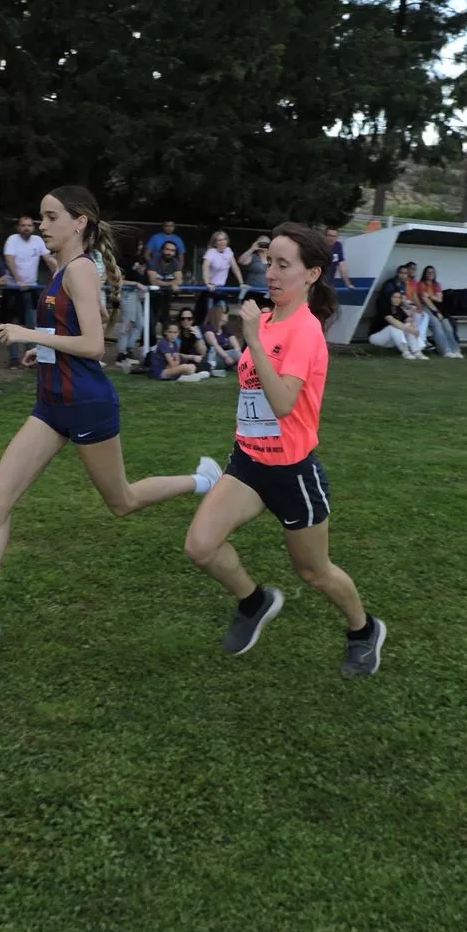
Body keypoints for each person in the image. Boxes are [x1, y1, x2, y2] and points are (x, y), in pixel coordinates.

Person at [0, 186, 221, 644]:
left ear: (78, 221)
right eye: (41, 217)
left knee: (121, 502)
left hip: (85, 402)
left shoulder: (80, 271)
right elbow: (67, 333)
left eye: (50, 216)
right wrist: (38, 352)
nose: (41, 224)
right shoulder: (63, 269)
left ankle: (203, 481)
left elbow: (93, 346)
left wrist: (30, 335)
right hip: (50, 404)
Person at [183, 223, 385, 676]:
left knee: (314, 572)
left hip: (292, 472)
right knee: (200, 546)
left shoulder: (305, 331)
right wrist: (256, 335)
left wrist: (252, 337)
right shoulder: (269, 319)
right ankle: (254, 602)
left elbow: (283, 402)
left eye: (282, 265)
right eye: (268, 261)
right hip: (248, 462)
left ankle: (363, 629)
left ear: (311, 274)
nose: (270, 272)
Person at [0, 214, 54, 368]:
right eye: (23, 225)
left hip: (31, 288)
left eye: (29, 225)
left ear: (33, 227)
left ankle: (31, 356)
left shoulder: (37, 241)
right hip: (13, 288)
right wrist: (18, 279)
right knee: (12, 323)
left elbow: (48, 259)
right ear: (18, 227)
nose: (26, 228)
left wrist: (58, 274)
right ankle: (14, 358)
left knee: (33, 323)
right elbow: (9, 260)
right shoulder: (12, 240)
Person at [412, 265, 463, 357]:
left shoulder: (437, 285)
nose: (430, 274)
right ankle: (445, 351)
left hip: (438, 307)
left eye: (432, 272)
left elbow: (440, 299)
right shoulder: (421, 284)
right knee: (437, 325)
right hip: (426, 307)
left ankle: (455, 349)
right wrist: (436, 312)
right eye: (428, 272)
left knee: (447, 326)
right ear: (424, 274)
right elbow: (425, 300)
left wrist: (430, 296)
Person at [195, 230, 242, 319]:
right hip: (211, 289)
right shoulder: (211, 252)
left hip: (221, 288)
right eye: (219, 240)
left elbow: (235, 268)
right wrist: (208, 283)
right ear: (215, 243)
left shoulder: (228, 251)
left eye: (224, 239)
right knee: (210, 313)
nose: (222, 242)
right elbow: (205, 269)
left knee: (223, 312)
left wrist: (241, 283)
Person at [369, 289, 427, 359]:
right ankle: (405, 352)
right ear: (390, 298)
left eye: (399, 298)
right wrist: (411, 330)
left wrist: (413, 323)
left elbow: (409, 320)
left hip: (392, 340)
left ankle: (417, 352)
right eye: (394, 297)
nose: (397, 299)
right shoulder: (385, 308)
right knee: (394, 327)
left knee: (409, 325)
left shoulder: (399, 309)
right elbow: (392, 321)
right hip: (376, 337)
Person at [146, 238, 183, 329]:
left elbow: (179, 280)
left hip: (166, 298)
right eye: (167, 249)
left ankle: (165, 343)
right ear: (162, 250)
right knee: (150, 324)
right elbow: (153, 281)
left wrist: (170, 283)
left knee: (166, 324)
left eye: (172, 251)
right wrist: (171, 284)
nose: (169, 252)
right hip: (151, 298)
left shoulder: (176, 263)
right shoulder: (153, 262)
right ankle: (148, 343)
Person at [202, 304, 243, 376]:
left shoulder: (225, 329)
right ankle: (250, 367)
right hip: (213, 359)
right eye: (224, 313)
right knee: (235, 353)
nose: (226, 315)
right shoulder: (208, 329)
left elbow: (236, 345)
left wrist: (236, 353)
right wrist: (226, 357)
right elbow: (215, 345)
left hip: (226, 358)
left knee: (236, 353)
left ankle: (238, 366)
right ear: (217, 315)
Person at [236, 234, 271, 302]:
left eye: (266, 244)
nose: (263, 246)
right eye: (261, 243)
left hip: (267, 293)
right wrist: (252, 248)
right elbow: (241, 261)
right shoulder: (252, 256)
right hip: (252, 291)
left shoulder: (272, 258)